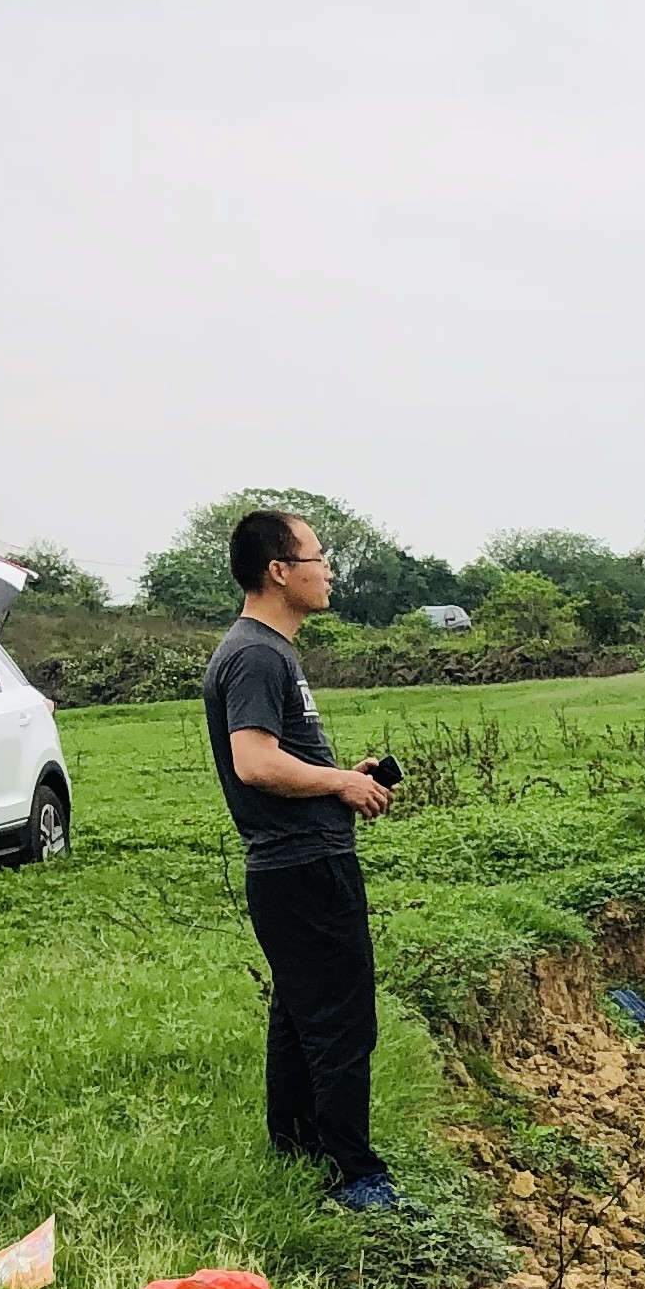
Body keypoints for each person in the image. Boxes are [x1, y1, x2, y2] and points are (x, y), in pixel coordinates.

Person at [204, 509, 403, 1211]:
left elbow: (280, 760)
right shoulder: (257, 654)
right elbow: (254, 762)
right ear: (279, 571)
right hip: (303, 868)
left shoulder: (267, 652)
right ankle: (358, 1176)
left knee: (300, 1015)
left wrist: (340, 780)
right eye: (318, 558)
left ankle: (296, 1151)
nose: (328, 572)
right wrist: (340, 784)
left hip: (295, 862)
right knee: (343, 1022)